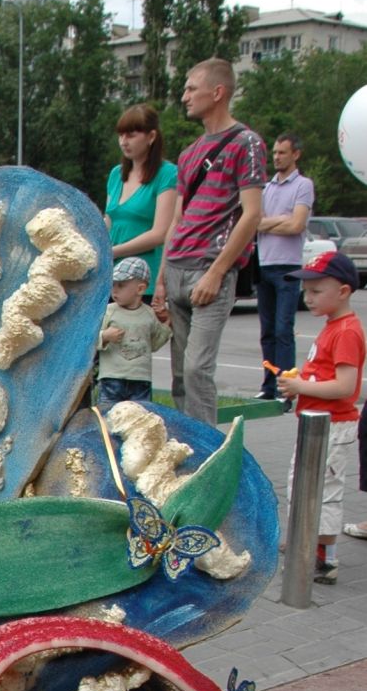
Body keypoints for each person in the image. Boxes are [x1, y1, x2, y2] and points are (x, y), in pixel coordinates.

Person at [152, 60, 266, 425]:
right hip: (178, 267)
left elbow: (252, 214)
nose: (184, 96)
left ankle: (208, 453)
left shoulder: (246, 144)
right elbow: (177, 220)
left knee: (199, 368)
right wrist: (160, 278)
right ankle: (186, 446)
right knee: (180, 375)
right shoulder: (189, 153)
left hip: (210, 268)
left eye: (190, 88)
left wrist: (217, 272)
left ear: (216, 93)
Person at [277, 249, 364, 585]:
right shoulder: (332, 326)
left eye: (316, 291)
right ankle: (305, 540)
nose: (307, 298)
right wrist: (300, 386)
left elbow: (345, 386)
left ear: (342, 291)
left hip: (333, 425)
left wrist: (301, 385)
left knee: (322, 489)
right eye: (306, 291)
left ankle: (323, 558)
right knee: (303, 484)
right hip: (315, 422)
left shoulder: (347, 331)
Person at [255, 132, 315, 403]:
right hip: (264, 264)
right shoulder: (266, 189)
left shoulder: (303, 185)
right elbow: (254, 221)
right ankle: (269, 385)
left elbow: (296, 225)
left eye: (282, 153)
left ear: (296, 155)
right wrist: (277, 220)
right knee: (267, 331)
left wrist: (269, 222)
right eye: (275, 153)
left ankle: (286, 388)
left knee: (283, 329)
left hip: (288, 266)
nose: (277, 158)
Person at [104, 103, 178, 283]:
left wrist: (114, 251)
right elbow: (108, 221)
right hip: (111, 276)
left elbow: (160, 233)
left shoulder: (167, 174)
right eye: (120, 135)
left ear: (151, 136)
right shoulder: (116, 174)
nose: (123, 141)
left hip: (143, 276)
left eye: (131, 135)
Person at [96, 258, 170, 408]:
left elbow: (154, 343)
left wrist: (167, 323)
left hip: (140, 379)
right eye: (113, 285)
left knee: (139, 416)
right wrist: (105, 336)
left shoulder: (148, 314)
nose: (115, 291)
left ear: (140, 289)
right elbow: (90, 340)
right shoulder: (108, 311)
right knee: (107, 414)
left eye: (121, 286)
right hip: (112, 377)